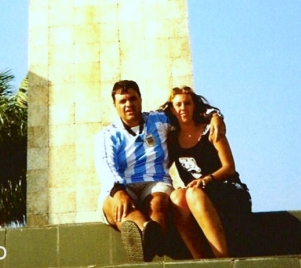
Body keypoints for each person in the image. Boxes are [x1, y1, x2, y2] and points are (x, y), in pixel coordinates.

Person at [95, 80, 225, 263]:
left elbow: (186, 110)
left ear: (140, 99)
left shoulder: (159, 120)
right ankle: (149, 235)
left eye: (133, 99)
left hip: (155, 181)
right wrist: (118, 192)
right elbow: (105, 164)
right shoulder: (107, 135)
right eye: (122, 101)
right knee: (121, 209)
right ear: (114, 105)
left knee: (158, 204)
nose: (129, 105)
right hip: (122, 185)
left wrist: (215, 115)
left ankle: (147, 238)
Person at [160, 86, 251, 259]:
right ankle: (200, 259)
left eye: (187, 103)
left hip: (228, 190)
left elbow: (229, 167)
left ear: (194, 105)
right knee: (177, 196)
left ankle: (221, 258)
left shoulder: (210, 129)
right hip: (198, 197)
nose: (183, 108)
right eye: (178, 105)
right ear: (172, 109)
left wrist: (206, 180)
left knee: (193, 193)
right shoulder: (172, 139)